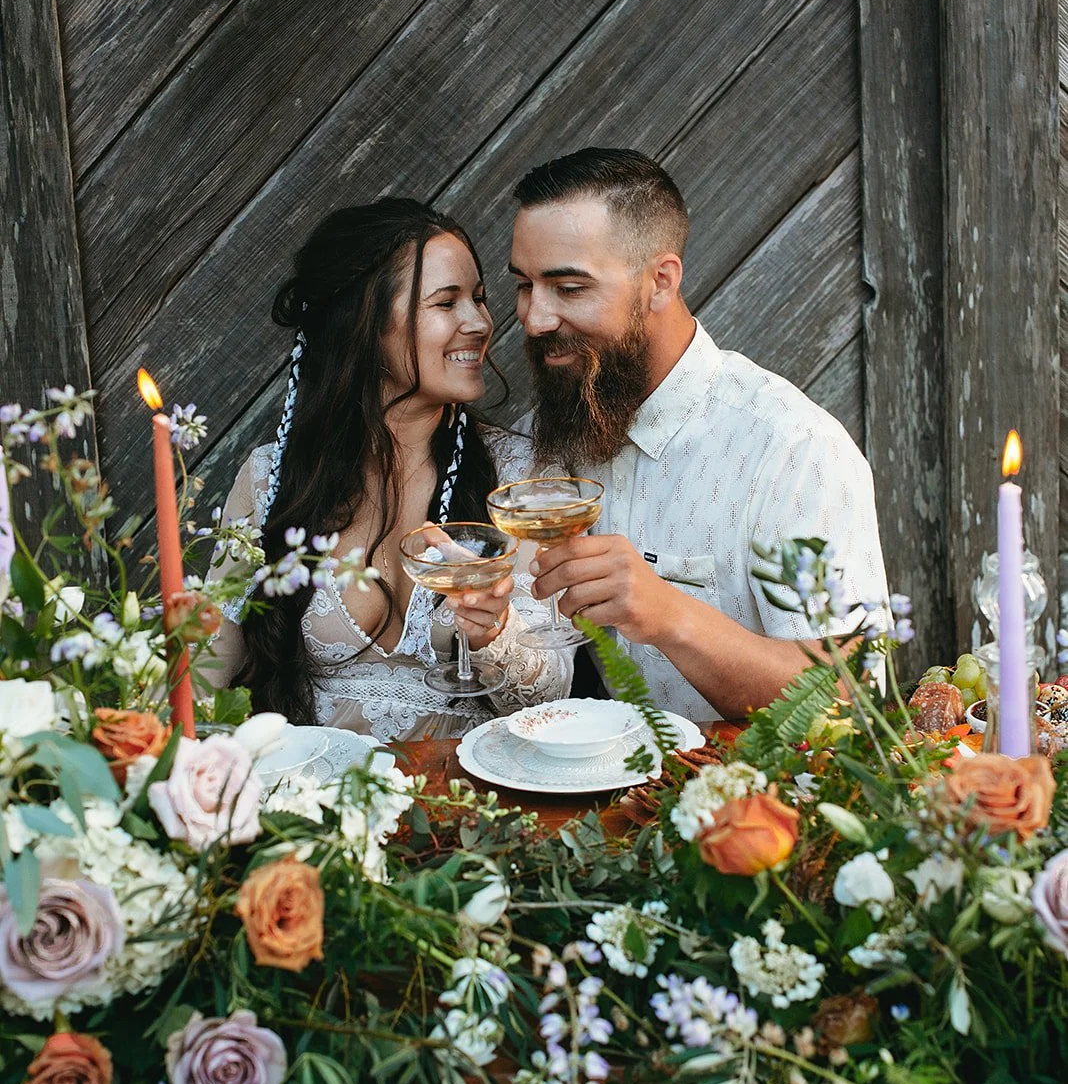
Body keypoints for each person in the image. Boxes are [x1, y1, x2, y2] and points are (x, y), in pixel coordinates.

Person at [507, 148, 889, 723]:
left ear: (660, 281)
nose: (535, 318)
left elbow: (850, 700)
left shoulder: (792, 450)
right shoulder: (547, 434)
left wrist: (670, 614)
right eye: (524, 285)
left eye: (568, 288)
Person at [207, 200, 571, 741]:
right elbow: (205, 675)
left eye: (478, 299)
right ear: (365, 323)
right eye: (446, 302)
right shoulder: (270, 480)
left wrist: (496, 630)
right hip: (319, 803)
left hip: (474, 807)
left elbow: (552, 694)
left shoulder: (517, 473)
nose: (479, 323)